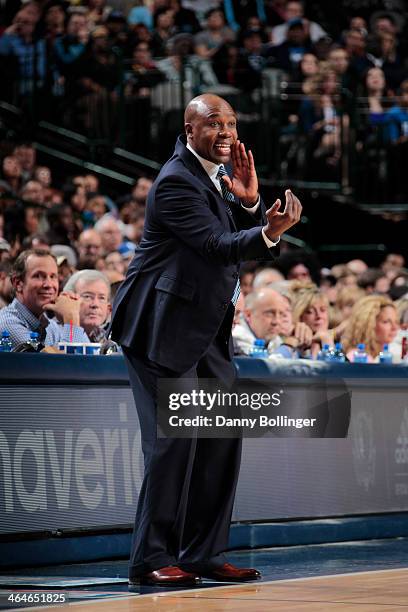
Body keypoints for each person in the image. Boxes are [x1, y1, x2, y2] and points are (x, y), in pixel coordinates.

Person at [109, 93, 302, 588]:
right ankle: (150, 560)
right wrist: (268, 232)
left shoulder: (213, 179)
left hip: (204, 328)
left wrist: (251, 203)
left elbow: (230, 232)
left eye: (232, 124)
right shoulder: (176, 180)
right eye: (214, 123)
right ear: (189, 129)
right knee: (174, 443)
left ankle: (203, 554)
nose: (225, 133)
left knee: (220, 438)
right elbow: (218, 247)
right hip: (160, 326)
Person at [0, 249, 89, 349]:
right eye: (38, 276)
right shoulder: (7, 324)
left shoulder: (51, 326)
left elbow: (89, 357)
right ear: (18, 283)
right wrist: (71, 320)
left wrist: (67, 319)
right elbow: (60, 364)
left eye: (53, 276)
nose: (48, 284)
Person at [342, 295, 399, 362]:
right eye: (386, 322)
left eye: (396, 321)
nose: (395, 327)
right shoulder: (356, 357)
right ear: (368, 326)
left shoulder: (390, 353)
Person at [63, 270, 111, 342]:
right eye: (87, 297)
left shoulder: (108, 339)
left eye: (101, 298)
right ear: (69, 299)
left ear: (108, 308)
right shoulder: (54, 332)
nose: (95, 304)